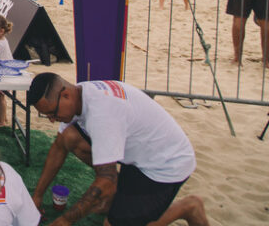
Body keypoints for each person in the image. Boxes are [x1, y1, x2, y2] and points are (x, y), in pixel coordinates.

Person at [29, 72, 209, 226]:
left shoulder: (102, 116)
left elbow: (105, 181)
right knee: (70, 137)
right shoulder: (81, 92)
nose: (52, 119)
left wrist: (65, 221)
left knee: (111, 223)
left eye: (52, 113)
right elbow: (59, 146)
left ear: (66, 95)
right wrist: (37, 196)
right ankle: (119, 195)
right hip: (142, 154)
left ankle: (188, 207)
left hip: (166, 166)